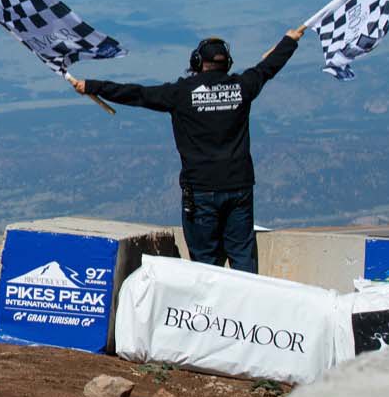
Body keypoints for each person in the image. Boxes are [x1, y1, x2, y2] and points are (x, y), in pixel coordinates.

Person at [69, 26, 306, 272]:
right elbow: (268, 68)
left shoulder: (180, 94)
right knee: (243, 258)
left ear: (197, 61)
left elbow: (136, 94)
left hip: (201, 190)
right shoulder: (242, 87)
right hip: (240, 187)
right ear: (227, 63)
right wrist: (289, 40)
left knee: (205, 266)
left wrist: (92, 85)